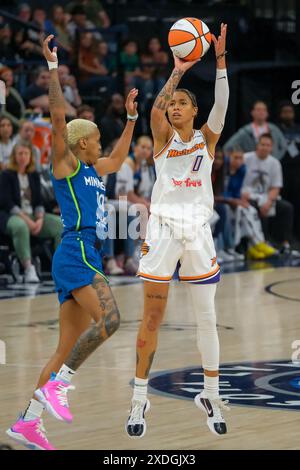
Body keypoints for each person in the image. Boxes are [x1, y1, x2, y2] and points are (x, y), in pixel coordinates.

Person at [6, 35, 139, 450]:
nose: (101, 145)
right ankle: (58, 387)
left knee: (65, 347)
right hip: (77, 249)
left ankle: (27, 421)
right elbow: (60, 121)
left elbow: (117, 160)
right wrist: (51, 67)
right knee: (111, 321)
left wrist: (132, 119)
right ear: (82, 143)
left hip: (82, 254)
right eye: (97, 139)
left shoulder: (96, 169)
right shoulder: (67, 163)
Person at [126, 24, 230, 438]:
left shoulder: (207, 140)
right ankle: (138, 399)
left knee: (208, 317)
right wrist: (177, 71)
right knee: (151, 318)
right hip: (164, 230)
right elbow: (153, 110)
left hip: (198, 234)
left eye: (182, 104)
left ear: (195, 112)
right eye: (172, 104)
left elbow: (223, 103)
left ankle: (210, 394)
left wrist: (220, 61)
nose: (174, 107)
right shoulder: (163, 140)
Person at [0, 142, 62, 283]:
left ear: (30, 156)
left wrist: (39, 219)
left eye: (26, 154)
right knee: (21, 226)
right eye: (20, 154)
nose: (23, 157)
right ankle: (29, 269)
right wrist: (28, 220)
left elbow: (39, 201)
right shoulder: (6, 175)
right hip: (12, 215)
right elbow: (6, 203)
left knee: (60, 225)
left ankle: (60, 268)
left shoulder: (33, 174)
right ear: (14, 156)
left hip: (33, 215)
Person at [241, 133, 296, 254]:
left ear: (271, 148)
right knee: (258, 208)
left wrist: (268, 201)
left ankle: (284, 243)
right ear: (257, 145)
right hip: (247, 195)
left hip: (266, 196)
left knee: (287, 208)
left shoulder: (275, 163)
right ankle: (262, 242)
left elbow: (276, 187)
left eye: (268, 145)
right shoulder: (246, 158)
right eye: (262, 144)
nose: (265, 147)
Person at [278, 101, 300, 240]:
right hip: (281, 170)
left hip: (297, 172)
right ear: (280, 114)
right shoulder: (276, 130)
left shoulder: (298, 129)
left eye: (290, 112)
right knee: (283, 204)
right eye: (285, 112)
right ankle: (282, 237)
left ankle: (296, 235)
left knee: (296, 203)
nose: (287, 115)